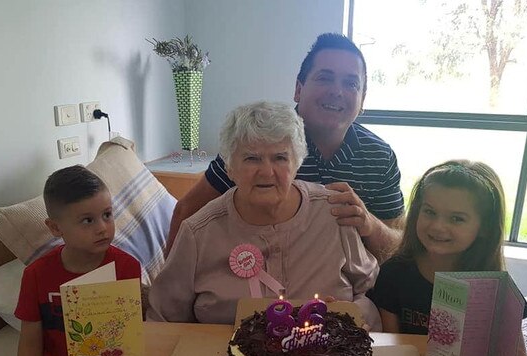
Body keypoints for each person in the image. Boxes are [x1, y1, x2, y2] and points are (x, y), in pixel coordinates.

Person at [166, 33, 404, 261]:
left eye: (351, 83)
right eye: (325, 78)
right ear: (298, 89)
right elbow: (186, 210)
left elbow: (398, 246)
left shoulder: (379, 156)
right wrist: (172, 284)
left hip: (346, 291)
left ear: (362, 99)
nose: (337, 91)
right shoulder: (258, 139)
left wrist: (369, 224)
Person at [148, 101, 381, 329]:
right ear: (229, 167)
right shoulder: (198, 233)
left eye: (280, 158)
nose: (267, 172)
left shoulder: (333, 213)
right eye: (252, 158)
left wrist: (350, 315)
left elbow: (371, 291)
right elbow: (162, 321)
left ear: (297, 163)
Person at [368, 160, 527, 356]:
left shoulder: (496, 289)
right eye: (429, 212)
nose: (438, 226)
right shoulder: (393, 273)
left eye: (456, 219)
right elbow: (389, 349)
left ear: (485, 228)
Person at [15, 165, 141, 356]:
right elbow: (30, 342)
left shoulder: (127, 267)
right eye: (87, 220)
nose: (102, 228)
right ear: (55, 228)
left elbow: (130, 335)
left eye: (107, 215)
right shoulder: (36, 275)